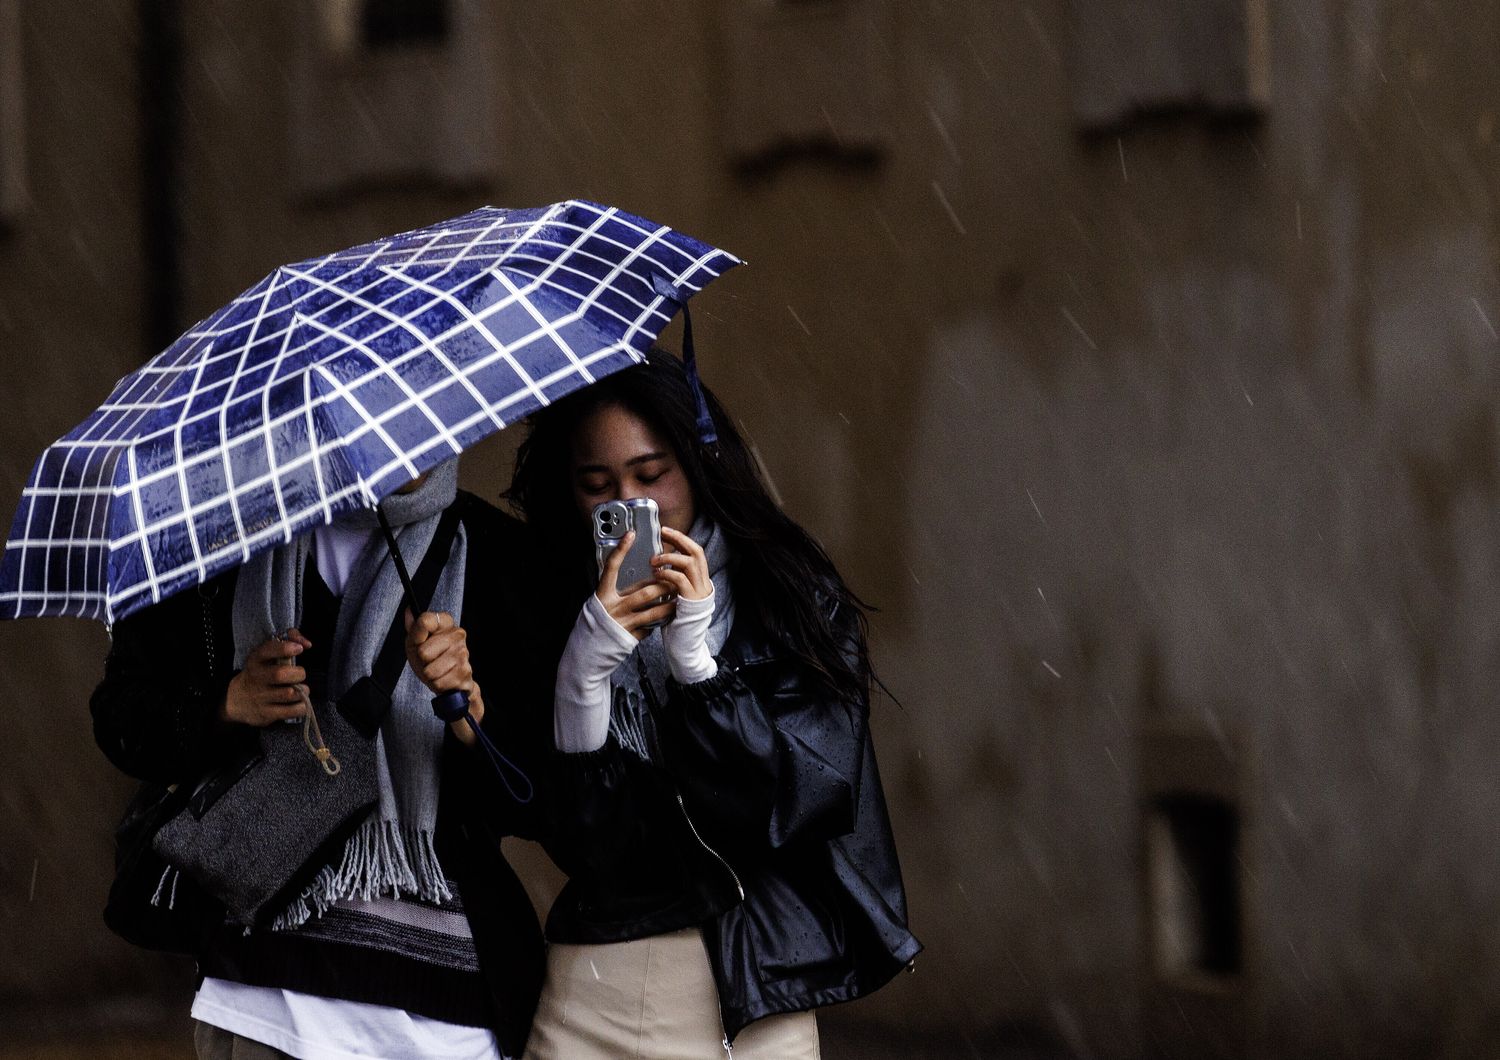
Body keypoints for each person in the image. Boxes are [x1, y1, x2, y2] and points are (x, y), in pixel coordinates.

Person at [506, 349, 921, 1059]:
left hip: (757, 989)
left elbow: (794, 804)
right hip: (601, 985)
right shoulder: (549, 601)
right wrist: (583, 669)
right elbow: (586, 843)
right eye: (596, 482)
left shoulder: (785, 591)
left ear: (698, 463)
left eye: (651, 473)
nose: (627, 503)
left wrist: (698, 668)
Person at [90, 460, 549, 1060]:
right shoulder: (217, 542)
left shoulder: (499, 553)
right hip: (263, 991)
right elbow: (123, 718)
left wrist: (472, 716)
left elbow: (539, 798)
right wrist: (225, 704)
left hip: (442, 1004)